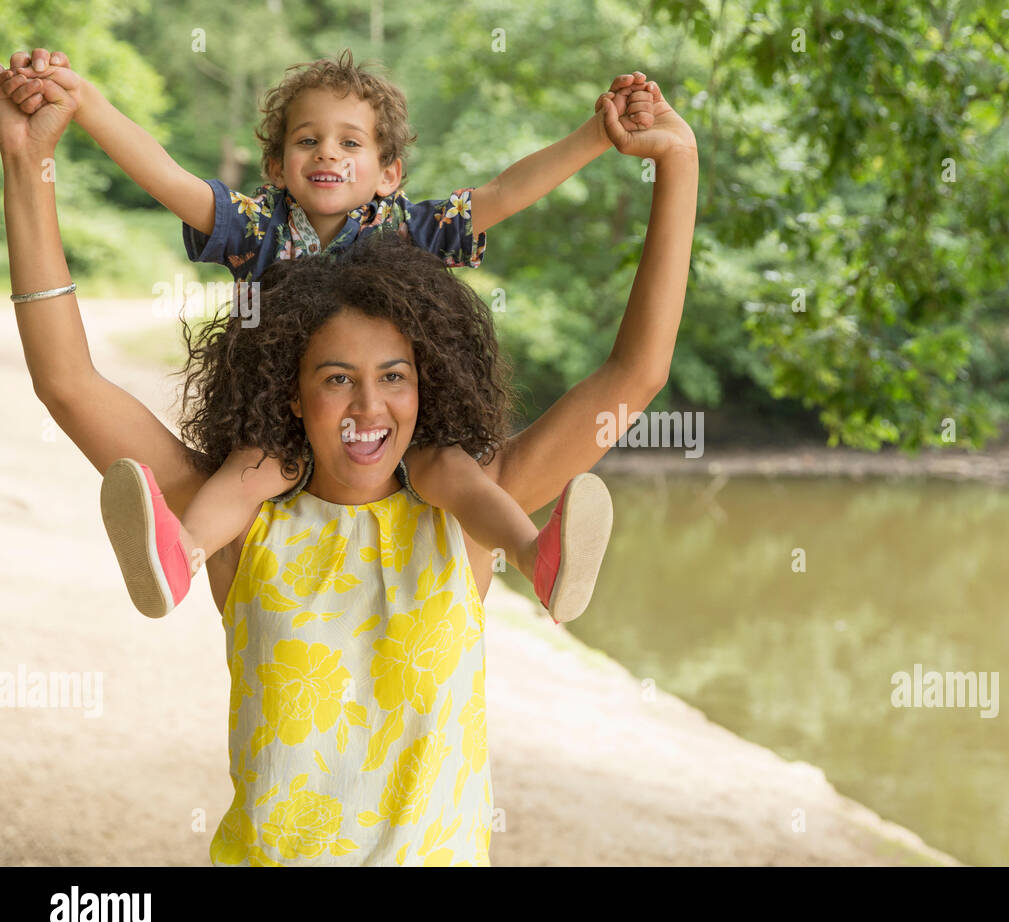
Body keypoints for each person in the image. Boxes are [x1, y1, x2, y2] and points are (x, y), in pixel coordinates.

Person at [3, 46, 698, 865]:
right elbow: (68, 383)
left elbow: (636, 374)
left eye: (394, 377)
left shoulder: (464, 512)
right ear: (290, 391)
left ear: (428, 383)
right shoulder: (243, 518)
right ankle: (174, 555)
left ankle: (537, 558)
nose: (369, 407)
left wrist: (677, 163)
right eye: (336, 378)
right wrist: (25, 162)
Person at [1, 48, 664, 623]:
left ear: (389, 172)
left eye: (351, 143)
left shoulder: (411, 229)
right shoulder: (256, 226)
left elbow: (507, 190)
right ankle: (181, 556)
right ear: (276, 163)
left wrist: (595, 135)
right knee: (247, 472)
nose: (327, 153)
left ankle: (534, 555)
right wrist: (84, 102)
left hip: (401, 431)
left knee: (453, 470)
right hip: (283, 420)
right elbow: (166, 176)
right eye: (307, 140)